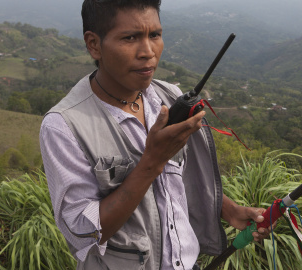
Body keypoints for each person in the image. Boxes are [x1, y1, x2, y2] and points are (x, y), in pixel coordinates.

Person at [40, 0, 270, 269]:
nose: (148, 52)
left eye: (155, 35)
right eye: (130, 38)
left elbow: (179, 177)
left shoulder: (168, 97)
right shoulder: (64, 126)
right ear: (94, 44)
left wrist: (228, 209)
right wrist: (152, 161)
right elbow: (84, 230)